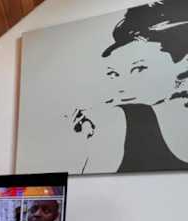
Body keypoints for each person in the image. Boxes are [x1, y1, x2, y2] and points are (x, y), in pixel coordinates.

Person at [71, 1, 188, 173]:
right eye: (113, 74)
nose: (121, 86)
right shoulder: (118, 120)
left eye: (139, 69)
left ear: (184, 66)